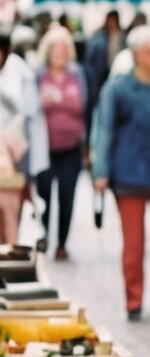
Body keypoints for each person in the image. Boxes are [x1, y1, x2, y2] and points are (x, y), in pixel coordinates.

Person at [92, 25, 150, 315]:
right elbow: (104, 129)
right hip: (129, 176)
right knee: (134, 244)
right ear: (138, 54)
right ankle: (134, 300)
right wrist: (100, 171)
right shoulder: (118, 88)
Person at [34, 26, 88, 261]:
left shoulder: (77, 74)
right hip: (45, 146)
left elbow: (83, 104)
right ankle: (44, 235)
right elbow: (32, 106)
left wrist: (58, 99)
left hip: (71, 146)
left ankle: (62, 243)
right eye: (57, 48)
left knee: (67, 195)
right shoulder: (39, 75)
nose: (61, 52)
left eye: (65, 48)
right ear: (48, 51)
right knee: (43, 194)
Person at [0, 26, 47, 246]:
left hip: (14, 162)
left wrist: (28, 173)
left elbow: (30, 119)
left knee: (11, 224)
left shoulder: (20, 72)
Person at [81, 10, 120, 110]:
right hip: (100, 72)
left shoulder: (120, 36)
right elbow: (90, 58)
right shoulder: (98, 36)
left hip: (114, 72)